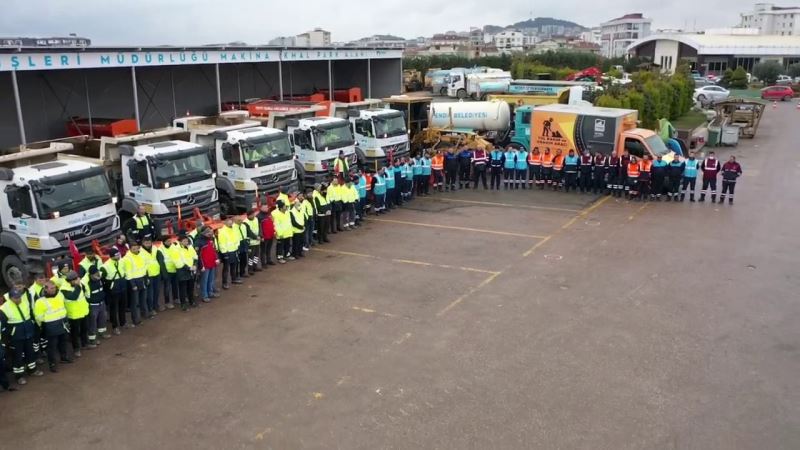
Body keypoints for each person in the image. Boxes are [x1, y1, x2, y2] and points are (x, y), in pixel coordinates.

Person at [1, 287, 43, 385]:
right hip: (16, 337)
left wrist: (32, 324)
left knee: (30, 352)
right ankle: (19, 376)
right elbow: (3, 326)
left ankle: (32, 370)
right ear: (10, 298)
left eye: (19, 297)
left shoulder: (25, 302)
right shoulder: (4, 308)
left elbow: (30, 314)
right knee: (17, 356)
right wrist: (10, 335)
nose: (18, 299)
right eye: (16, 298)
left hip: (28, 333)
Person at [33, 281, 71, 372]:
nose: (54, 290)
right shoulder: (40, 301)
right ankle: (52, 364)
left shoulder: (60, 295)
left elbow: (63, 306)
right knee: (52, 346)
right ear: (45, 289)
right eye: (51, 288)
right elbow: (38, 317)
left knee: (63, 342)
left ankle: (64, 357)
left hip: (62, 323)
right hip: (51, 326)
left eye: (54, 287)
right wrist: (48, 321)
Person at [61, 271, 89, 357]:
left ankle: (84, 344)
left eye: (77, 279)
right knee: (75, 333)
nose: (77, 280)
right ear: (70, 281)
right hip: (73, 315)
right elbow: (74, 297)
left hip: (83, 312)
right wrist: (78, 286)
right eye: (75, 280)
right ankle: (76, 349)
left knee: (84, 329)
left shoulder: (79, 284)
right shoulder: (64, 289)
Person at [122, 241, 147, 326]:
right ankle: (135, 319)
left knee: (143, 299)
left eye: (137, 248)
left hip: (142, 278)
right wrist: (133, 285)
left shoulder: (141, 255)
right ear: (130, 249)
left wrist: (146, 278)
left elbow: (144, 266)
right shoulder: (127, 258)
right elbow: (128, 273)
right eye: (133, 249)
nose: (136, 250)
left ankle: (144, 313)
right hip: (134, 281)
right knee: (135, 302)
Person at [82, 266, 109, 347]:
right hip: (92, 305)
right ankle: (92, 339)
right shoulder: (85, 282)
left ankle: (102, 332)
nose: (98, 276)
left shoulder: (99, 275)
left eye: (98, 274)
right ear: (90, 275)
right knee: (92, 322)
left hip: (101, 303)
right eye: (95, 275)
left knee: (103, 318)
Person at [102, 247, 125, 335]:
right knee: (113, 309)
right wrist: (109, 288)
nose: (119, 256)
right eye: (116, 255)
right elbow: (102, 279)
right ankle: (115, 327)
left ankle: (123, 323)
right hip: (113, 291)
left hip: (122, 288)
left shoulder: (121, 261)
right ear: (111, 256)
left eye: (119, 254)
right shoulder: (105, 266)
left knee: (122, 306)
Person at [173, 233, 198, 311]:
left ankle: (191, 301)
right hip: (182, 271)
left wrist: (194, 265)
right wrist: (188, 268)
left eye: (187, 241)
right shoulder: (176, 249)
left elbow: (195, 256)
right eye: (184, 241)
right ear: (180, 241)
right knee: (182, 289)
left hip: (191, 270)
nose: (186, 242)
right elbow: (178, 262)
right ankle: (183, 304)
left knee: (191, 287)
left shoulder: (190, 247)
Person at [196, 226, 220, 302]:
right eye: (208, 232)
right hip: (205, 265)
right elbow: (198, 256)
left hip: (212, 263)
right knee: (204, 281)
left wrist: (216, 259)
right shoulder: (199, 242)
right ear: (204, 233)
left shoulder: (210, 239)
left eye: (210, 231)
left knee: (210, 279)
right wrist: (201, 266)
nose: (210, 233)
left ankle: (210, 293)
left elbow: (213, 251)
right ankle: (204, 295)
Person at [141, 237, 163, 317]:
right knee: (150, 293)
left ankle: (156, 305)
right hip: (148, 275)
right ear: (143, 243)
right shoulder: (140, 252)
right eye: (146, 243)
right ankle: (150, 309)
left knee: (157, 291)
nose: (148, 245)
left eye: (149, 243)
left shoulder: (154, 248)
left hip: (156, 272)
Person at [217, 216, 240, 288]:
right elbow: (222, 243)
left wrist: (237, 247)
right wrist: (224, 253)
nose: (230, 223)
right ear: (225, 222)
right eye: (229, 222)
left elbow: (237, 238)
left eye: (231, 222)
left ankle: (234, 279)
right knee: (226, 268)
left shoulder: (234, 229)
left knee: (234, 266)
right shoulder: (222, 231)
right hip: (227, 252)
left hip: (234, 250)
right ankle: (225, 283)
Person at [161, 238, 179, 309]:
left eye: (170, 241)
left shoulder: (173, 247)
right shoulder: (161, 249)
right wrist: (164, 272)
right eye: (167, 241)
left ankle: (176, 298)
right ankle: (167, 302)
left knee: (175, 285)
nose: (169, 242)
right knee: (167, 287)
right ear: (164, 242)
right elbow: (161, 262)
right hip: (167, 271)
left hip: (174, 269)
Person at [235, 215, 250, 279]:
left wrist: (247, 242)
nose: (240, 221)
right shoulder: (233, 228)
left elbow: (246, 234)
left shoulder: (244, 226)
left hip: (244, 243)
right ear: (235, 221)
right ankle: (236, 274)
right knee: (237, 261)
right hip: (237, 244)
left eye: (241, 220)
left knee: (244, 260)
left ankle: (242, 272)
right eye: (239, 220)